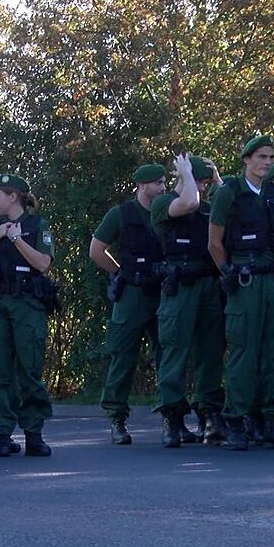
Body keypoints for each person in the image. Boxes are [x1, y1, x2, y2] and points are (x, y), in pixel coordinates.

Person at [207, 135, 274, 451]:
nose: (268, 162)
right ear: (246, 159)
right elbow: (214, 242)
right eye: (261, 157)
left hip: (273, 279)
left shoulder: (272, 193)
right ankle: (236, 420)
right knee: (243, 352)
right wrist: (227, 273)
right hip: (244, 278)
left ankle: (273, 421)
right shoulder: (229, 192)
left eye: (271, 157)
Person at [0, 174, 54, 456]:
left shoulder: (35, 225)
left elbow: (43, 264)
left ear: (13, 197)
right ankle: (1, 433)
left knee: (29, 370)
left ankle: (33, 432)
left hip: (27, 303)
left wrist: (17, 239)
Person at [150, 155, 227, 446]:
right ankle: (173, 417)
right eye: (200, 180)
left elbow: (227, 204)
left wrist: (218, 177)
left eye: (206, 182)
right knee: (175, 352)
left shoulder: (208, 208)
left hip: (209, 284)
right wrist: (185, 175)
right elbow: (189, 202)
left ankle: (210, 415)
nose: (204, 187)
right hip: (179, 287)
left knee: (211, 353)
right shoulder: (164, 203)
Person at [90, 164, 166, 444]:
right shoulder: (121, 214)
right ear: (142, 185)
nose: (162, 188)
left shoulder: (167, 211)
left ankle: (171, 416)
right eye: (157, 184)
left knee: (167, 354)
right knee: (123, 357)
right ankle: (117, 418)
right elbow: (97, 250)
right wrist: (119, 273)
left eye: (164, 183)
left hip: (161, 291)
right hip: (132, 293)